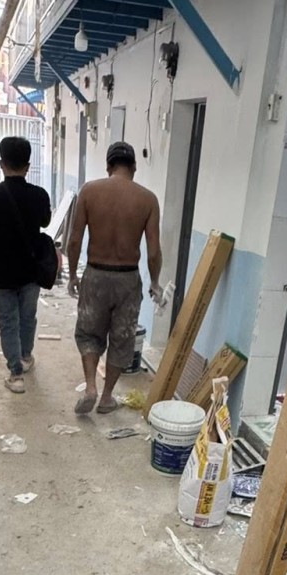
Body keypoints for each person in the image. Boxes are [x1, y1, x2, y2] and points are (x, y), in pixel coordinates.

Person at [66, 141, 161, 416]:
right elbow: (154, 251)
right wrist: (155, 282)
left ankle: (90, 387)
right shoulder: (148, 199)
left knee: (88, 333)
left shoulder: (89, 191)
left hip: (96, 274)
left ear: (108, 166)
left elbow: (74, 240)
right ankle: (107, 397)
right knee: (122, 339)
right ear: (134, 167)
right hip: (127, 279)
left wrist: (72, 275)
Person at [0, 135, 52, 394]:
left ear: (1, 163)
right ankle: (25, 356)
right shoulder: (39, 195)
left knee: (7, 322)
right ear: (28, 166)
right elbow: (46, 222)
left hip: (0, 273)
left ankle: (16, 375)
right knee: (27, 318)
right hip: (31, 272)